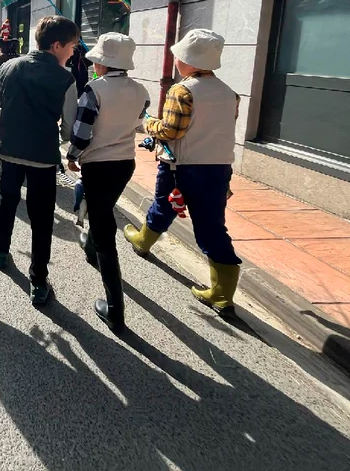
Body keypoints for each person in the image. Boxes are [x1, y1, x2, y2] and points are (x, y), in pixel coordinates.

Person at [123, 29, 243, 312]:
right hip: (218, 168)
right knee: (212, 225)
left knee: (163, 205)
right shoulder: (230, 93)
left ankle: (143, 241)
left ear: (188, 60)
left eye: (178, 56)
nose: (176, 60)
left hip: (181, 166)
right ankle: (223, 293)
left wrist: (148, 123)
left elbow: (171, 131)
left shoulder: (182, 91)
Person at [0, 15, 80, 306]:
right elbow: (69, 125)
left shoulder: (9, 66)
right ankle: (38, 281)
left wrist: (8, 122)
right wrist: (54, 136)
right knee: (41, 217)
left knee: (7, 199)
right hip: (43, 156)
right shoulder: (65, 79)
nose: (72, 52)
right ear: (57, 45)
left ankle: (2, 252)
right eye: (71, 46)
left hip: (9, 149)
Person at [65, 33, 149, 332]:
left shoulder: (93, 91)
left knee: (104, 229)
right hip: (125, 163)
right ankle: (90, 246)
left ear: (102, 64)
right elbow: (138, 120)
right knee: (103, 207)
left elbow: (82, 132)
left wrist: (72, 155)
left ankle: (115, 310)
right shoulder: (141, 91)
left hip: (97, 164)